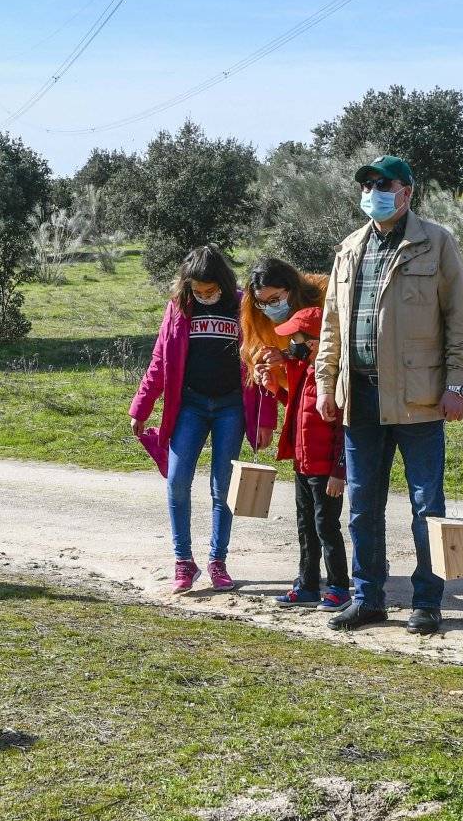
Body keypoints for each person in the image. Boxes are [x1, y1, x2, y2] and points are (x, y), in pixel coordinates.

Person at [311, 154, 463, 636]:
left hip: (420, 397)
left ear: (407, 191)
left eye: (382, 184)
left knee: (427, 504)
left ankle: (427, 601)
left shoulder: (436, 243)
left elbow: (461, 321)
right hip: (359, 398)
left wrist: (456, 383)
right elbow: (332, 327)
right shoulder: (349, 248)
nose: (373, 192)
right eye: (366, 184)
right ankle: (368, 599)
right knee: (363, 505)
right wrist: (327, 384)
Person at [129, 247, 273, 594]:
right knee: (177, 481)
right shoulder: (179, 308)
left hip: (231, 408)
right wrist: (140, 407)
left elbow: (262, 361)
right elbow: (160, 361)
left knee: (223, 487)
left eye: (211, 290)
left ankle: (217, 561)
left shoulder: (243, 305)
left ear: (223, 283)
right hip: (189, 405)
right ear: (187, 285)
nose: (205, 296)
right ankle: (183, 562)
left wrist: (264, 418)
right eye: (199, 290)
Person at [246, 259, 346, 608]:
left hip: (325, 470)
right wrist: (274, 381)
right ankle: (306, 583)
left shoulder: (334, 381)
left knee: (327, 528)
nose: (294, 345)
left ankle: (338, 586)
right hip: (304, 464)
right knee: (306, 524)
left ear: (321, 341)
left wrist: (338, 471)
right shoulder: (304, 372)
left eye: (299, 340)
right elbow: (295, 407)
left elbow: (345, 430)